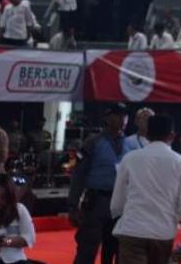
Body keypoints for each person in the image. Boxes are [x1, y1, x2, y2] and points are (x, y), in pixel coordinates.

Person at [110, 114, 181, 264]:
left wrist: (122, 220)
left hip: (132, 230)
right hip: (162, 234)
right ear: (172, 136)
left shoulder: (130, 158)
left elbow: (117, 202)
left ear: (147, 135)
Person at [67, 103, 129, 264]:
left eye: (125, 116)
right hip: (97, 201)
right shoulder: (93, 142)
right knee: (87, 248)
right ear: (108, 118)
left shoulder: (130, 144)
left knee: (116, 250)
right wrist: (73, 205)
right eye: (117, 115)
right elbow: (79, 174)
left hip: (122, 204)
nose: (122, 119)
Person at [0, 174, 35, 263]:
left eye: (3, 197)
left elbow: (29, 238)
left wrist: (6, 241)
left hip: (15, 260)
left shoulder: (19, 209)